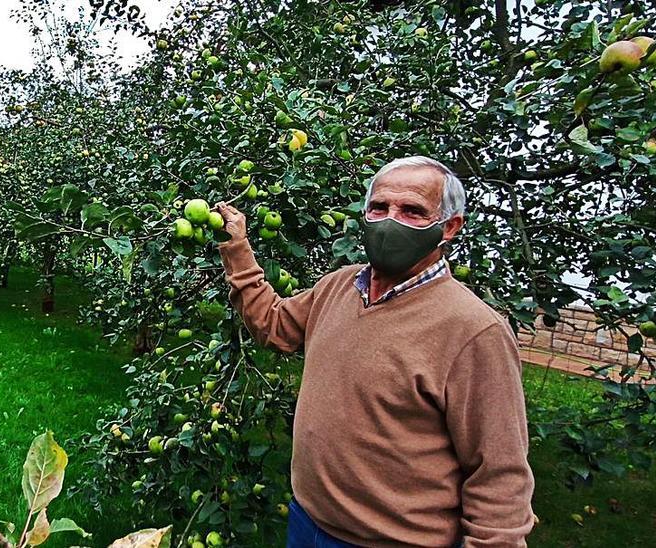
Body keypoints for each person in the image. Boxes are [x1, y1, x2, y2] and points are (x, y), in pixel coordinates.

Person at [214, 156, 534, 548]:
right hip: (307, 520)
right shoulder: (339, 286)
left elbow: (499, 472)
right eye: (379, 207)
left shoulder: (474, 330)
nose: (389, 221)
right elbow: (276, 327)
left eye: (412, 211)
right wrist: (238, 250)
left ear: (449, 227)